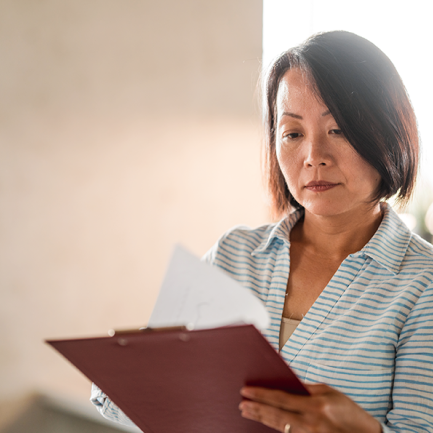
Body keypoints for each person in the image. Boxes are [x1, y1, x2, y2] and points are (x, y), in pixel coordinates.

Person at [91, 31, 433, 432]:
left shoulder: (422, 285)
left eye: (338, 130)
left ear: (389, 132)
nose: (313, 157)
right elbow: (137, 413)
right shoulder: (234, 254)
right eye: (292, 133)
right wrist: (134, 371)